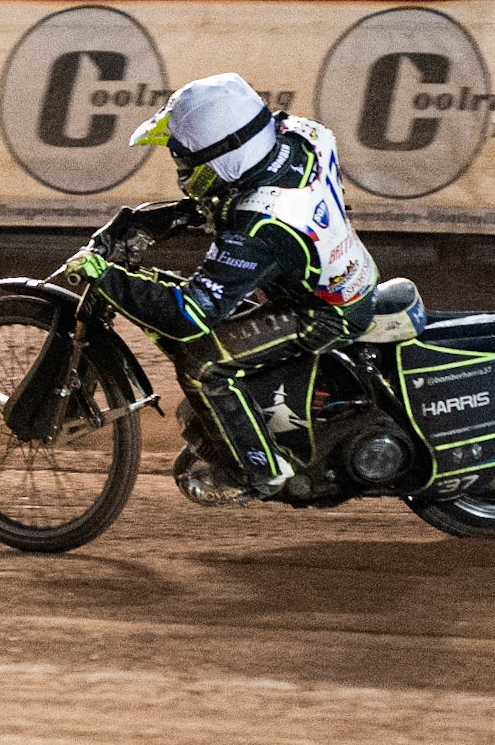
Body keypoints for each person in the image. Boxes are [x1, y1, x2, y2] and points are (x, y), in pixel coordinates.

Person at [63, 72, 378, 504]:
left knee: (202, 361)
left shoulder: (262, 226)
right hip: (339, 275)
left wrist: (107, 277)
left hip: (324, 313)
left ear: (223, 158)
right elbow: (237, 188)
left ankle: (259, 470)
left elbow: (189, 315)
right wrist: (154, 223)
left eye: (184, 158)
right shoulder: (302, 137)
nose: (180, 167)